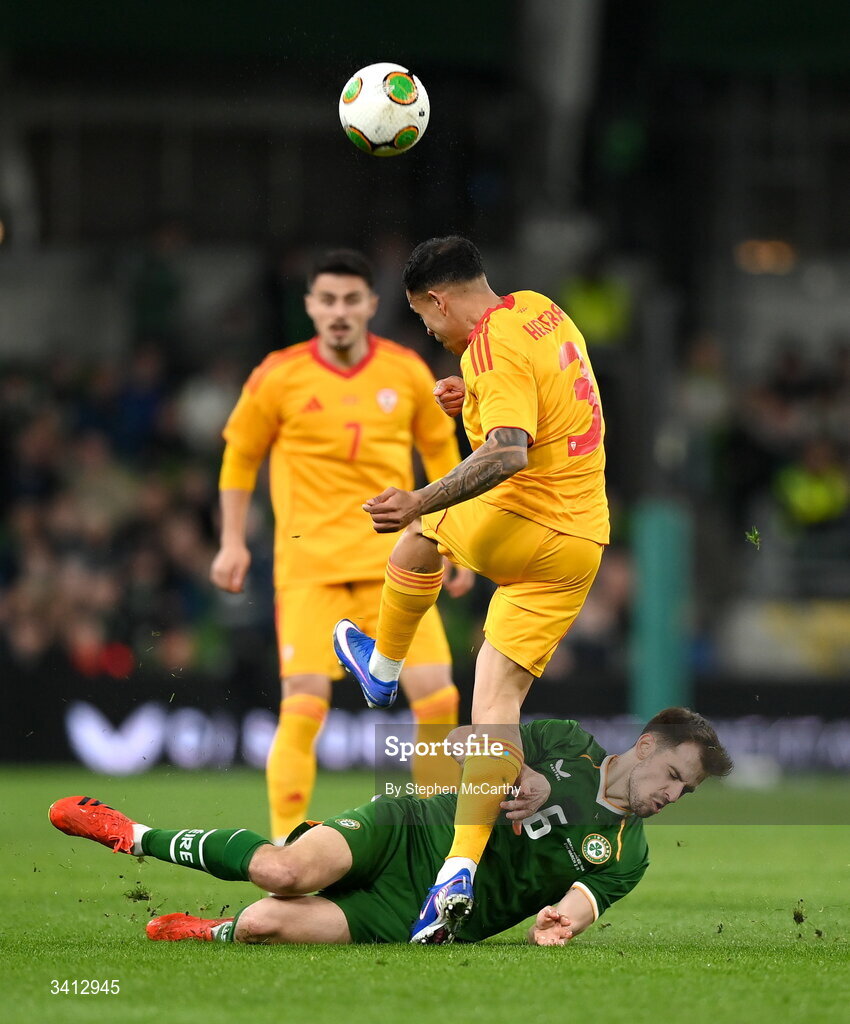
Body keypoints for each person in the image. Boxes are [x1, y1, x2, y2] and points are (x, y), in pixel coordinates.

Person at [333, 236, 608, 940]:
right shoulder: (542, 310)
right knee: (497, 708)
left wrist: (422, 497)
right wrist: (473, 398)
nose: (431, 333)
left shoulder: (487, 345)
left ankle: (383, 669)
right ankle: (457, 871)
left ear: (439, 299)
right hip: (581, 542)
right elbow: (545, 407)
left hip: (529, 518)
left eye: (426, 320)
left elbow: (510, 450)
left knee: (416, 534)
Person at [48, 707, 733, 946]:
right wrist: (515, 768)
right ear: (646, 746)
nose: (674, 794)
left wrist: (562, 923)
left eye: (688, 790)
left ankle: (212, 930)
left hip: (423, 912)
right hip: (410, 825)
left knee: (262, 923)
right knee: (282, 872)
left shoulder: (627, 854)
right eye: (675, 774)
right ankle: (128, 831)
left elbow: (581, 907)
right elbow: (463, 738)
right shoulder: (564, 741)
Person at [210, 249, 472, 841]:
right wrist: (231, 541)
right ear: (308, 306)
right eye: (326, 299)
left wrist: (452, 542)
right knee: (303, 705)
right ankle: (285, 844)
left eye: (351, 299)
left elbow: (442, 458)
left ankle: (426, 837)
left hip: (397, 562)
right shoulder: (278, 374)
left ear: (371, 306)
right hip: (310, 566)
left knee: (437, 699)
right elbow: (240, 457)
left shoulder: (406, 371)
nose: (339, 311)